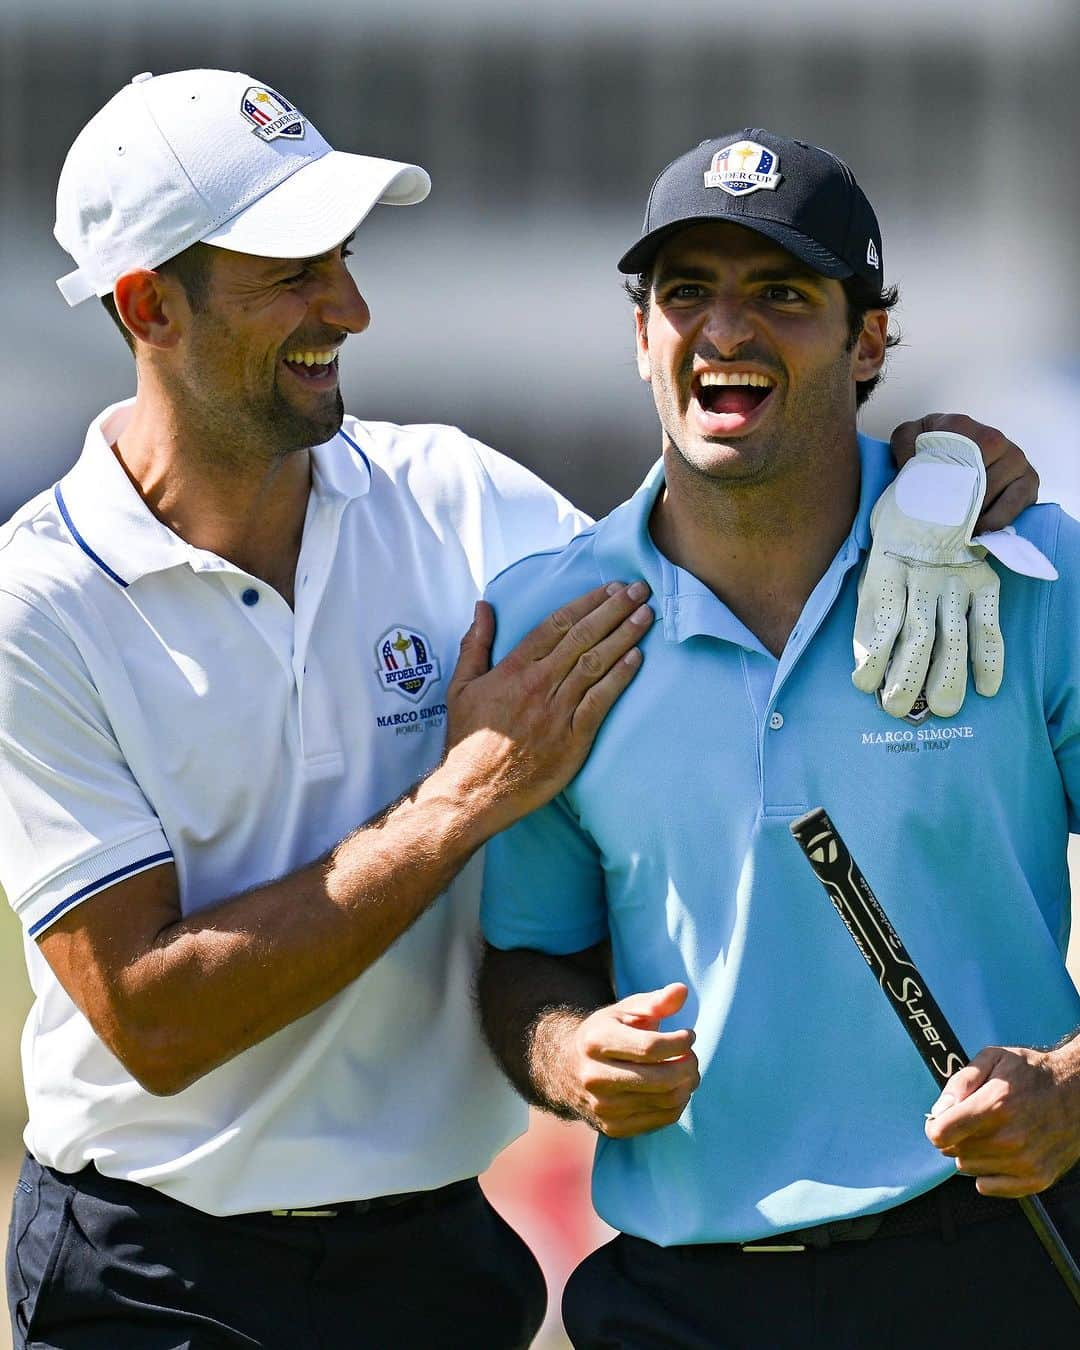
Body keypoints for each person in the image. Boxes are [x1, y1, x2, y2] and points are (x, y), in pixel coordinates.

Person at [0, 76, 1040, 1347]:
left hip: (440, 1263)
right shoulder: (37, 605)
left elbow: (730, 523)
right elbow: (153, 1019)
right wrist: (464, 796)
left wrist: (938, 466)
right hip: (153, 1273)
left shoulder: (459, 502)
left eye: (345, 259)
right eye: (292, 273)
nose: (352, 308)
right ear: (147, 304)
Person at [477, 129, 1080, 1348]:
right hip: (677, 1297)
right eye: (685, 292)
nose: (726, 331)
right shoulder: (549, 623)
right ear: (640, 335)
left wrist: (1073, 1086)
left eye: (782, 295)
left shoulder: (1022, 571)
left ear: (867, 342)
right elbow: (527, 960)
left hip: (989, 1267)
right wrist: (567, 1055)